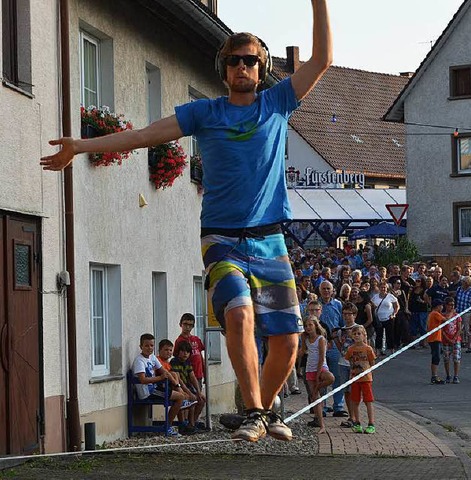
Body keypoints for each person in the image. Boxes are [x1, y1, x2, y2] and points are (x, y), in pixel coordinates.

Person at [41, 1, 332, 443]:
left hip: (270, 239)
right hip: (221, 239)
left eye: (249, 60)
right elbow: (143, 135)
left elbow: (322, 59)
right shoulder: (205, 114)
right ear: (223, 68)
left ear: (262, 67)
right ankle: (255, 410)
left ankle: (264, 413)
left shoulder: (278, 103)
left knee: (289, 341)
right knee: (237, 314)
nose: (241, 66)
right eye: (233, 60)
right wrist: (80, 146)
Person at [132, 334, 185, 436]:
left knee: (180, 394)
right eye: (146, 346)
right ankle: (167, 427)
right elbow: (143, 380)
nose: (149, 348)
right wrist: (160, 378)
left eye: (151, 345)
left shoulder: (152, 357)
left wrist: (178, 386)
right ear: (141, 346)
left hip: (154, 388)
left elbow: (164, 371)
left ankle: (170, 424)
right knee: (180, 398)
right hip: (147, 392)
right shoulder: (139, 361)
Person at [318, 281, 348, 417]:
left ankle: (338, 406)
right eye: (323, 289)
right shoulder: (315, 305)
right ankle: (322, 407)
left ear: (333, 290)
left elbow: (342, 325)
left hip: (335, 345)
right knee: (322, 377)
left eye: (328, 289)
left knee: (337, 376)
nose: (326, 291)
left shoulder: (338, 305)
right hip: (319, 345)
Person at [300, 316, 334, 433]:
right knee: (315, 398)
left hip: (321, 367)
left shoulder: (321, 339)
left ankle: (317, 387)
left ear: (315, 326)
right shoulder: (305, 338)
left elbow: (321, 357)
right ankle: (321, 425)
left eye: (310, 325)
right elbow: (303, 351)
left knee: (330, 378)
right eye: (306, 326)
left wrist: (318, 374)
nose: (308, 328)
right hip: (310, 368)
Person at [344, 325, 377, 434]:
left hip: (366, 379)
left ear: (364, 335)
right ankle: (357, 422)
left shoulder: (368, 349)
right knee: (355, 400)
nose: (357, 336)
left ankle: (371, 423)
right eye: (355, 334)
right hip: (355, 379)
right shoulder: (351, 349)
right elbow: (349, 360)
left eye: (359, 334)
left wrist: (369, 372)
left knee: (368, 400)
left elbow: (372, 362)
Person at [170, 341, 207, 432]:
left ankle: (192, 423)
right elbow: (179, 380)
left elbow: (193, 377)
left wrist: (198, 391)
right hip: (178, 387)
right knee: (191, 400)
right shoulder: (174, 362)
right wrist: (189, 393)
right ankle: (184, 424)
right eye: (183, 351)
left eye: (187, 352)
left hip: (187, 387)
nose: (185, 354)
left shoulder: (188, 363)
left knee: (201, 399)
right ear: (178, 352)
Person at [334, 302, 359, 428]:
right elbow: (341, 348)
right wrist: (336, 339)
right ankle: (351, 416)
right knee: (346, 390)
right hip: (343, 362)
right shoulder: (341, 330)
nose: (347, 317)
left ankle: (356, 416)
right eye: (344, 314)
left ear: (354, 315)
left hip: (355, 363)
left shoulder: (358, 329)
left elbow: (364, 344)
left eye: (349, 314)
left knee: (355, 389)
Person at [174, 313, 206, 389]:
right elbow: (177, 359)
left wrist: (205, 373)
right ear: (180, 324)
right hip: (187, 376)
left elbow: (201, 357)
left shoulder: (196, 339)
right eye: (185, 324)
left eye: (190, 325)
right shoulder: (179, 341)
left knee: (199, 397)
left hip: (198, 374)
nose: (187, 327)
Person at [371, 281, 399, 356]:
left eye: (385, 287)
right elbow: (371, 305)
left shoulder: (390, 296)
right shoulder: (375, 297)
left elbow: (397, 306)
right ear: (379, 288)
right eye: (382, 287)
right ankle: (378, 351)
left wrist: (394, 314)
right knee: (379, 335)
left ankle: (391, 351)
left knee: (390, 335)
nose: (383, 289)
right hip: (378, 319)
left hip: (389, 318)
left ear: (387, 288)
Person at [441, 297, 462, 384]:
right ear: (446, 305)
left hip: (456, 339)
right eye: (450, 305)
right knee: (446, 358)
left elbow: (459, 328)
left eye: (453, 305)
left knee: (456, 358)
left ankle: (456, 376)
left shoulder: (457, 316)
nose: (452, 307)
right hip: (446, 340)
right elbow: (441, 329)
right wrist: (447, 338)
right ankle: (448, 375)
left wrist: (454, 338)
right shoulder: (442, 316)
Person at [456, 276, 471, 353]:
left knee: (468, 329)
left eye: (464, 282)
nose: (462, 283)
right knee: (458, 328)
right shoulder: (459, 289)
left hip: (467, 313)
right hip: (459, 311)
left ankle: (469, 346)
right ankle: (461, 342)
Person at [427, 299, 446, 384]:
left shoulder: (433, 314)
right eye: (441, 306)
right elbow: (445, 320)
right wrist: (452, 313)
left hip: (434, 338)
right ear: (438, 306)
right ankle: (434, 376)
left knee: (436, 357)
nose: (442, 307)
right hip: (434, 338)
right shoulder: (435, 314)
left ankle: (434, 376)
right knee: (436, 357)